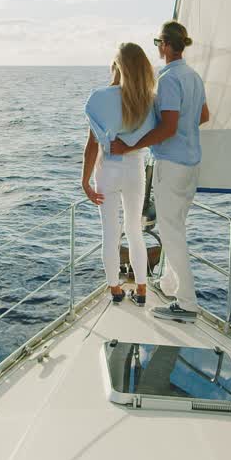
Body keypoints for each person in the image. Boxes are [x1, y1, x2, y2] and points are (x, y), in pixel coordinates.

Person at [111, 21, 209, 321]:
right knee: (175, 226)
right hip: (191, 163)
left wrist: (129, 147)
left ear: (165, 45)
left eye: (158, 43)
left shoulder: (167, 79)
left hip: (172, 165)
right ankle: (169, 283)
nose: (158, 48)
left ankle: (187, 302)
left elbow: (167, 127)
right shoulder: (193, 76)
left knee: (171, 231)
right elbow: (203, 116)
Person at [81, 42, 158, 305]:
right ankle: (142, 289)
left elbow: (92, 145)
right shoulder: (149, 100)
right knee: (134, 230)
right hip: (135, 170)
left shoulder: (99, 99)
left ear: (117, 67)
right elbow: (153, 137)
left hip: (108, 170)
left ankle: (114, 289)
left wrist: (85, 181)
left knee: (110, 234)